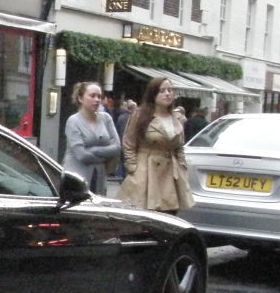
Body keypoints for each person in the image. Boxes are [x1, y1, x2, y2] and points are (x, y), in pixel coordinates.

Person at [118, 76, 195, 215]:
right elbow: (129, 143)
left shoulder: (176, 118)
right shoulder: (140, 115)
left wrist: (182, 166)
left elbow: (179, 146)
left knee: (169, 216)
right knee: (146, 216)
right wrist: (132, 167)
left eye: (170, 90)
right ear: (153, 94)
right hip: (146, 172)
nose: (167, 94)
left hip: (171, 175)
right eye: (162, 90)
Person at [62, 80, 121, 194]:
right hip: (77, 176)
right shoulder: (73, 121)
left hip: (99, 176)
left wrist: (94, 150)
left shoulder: (106, 118)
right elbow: (82, 155)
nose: (97, 100)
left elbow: (117, 147)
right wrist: (105, 156)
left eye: (99, 96)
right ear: (80, 98)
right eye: (92, 96)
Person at [113, 98, 136, 179]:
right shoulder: (135, 119)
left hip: (121, 142)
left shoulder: (121, 117)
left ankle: (122, 176)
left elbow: (117, 130)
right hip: (131, 143)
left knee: (122, 161)